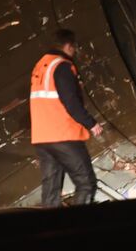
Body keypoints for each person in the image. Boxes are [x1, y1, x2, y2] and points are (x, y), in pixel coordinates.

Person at [30, 29, 102, 208]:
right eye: (74, 47)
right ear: (69, 46)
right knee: (86, 183)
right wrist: (91, 123)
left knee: (51, 193)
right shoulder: (61, 66)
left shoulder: (41, 65)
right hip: (63, 135)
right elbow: (70, 101)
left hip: (42, 139)